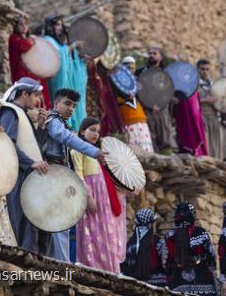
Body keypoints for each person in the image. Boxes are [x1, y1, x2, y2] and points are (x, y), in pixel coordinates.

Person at [42, 89, 108, 262]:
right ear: (56, 104)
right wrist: (94, 151)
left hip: (60, 175)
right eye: (67, 103)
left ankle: (62, 263)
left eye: (74, 105)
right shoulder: (53, 121)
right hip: (53, 175)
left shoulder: (61, 123)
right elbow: (65, 138)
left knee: (62, 223)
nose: (71, 108)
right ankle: (62, 266)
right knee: (59, 222)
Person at [0, 78, 50, 254]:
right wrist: (31, 163)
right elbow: (7, 143)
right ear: (24, 94)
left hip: (26, 174)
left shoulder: (21, 113)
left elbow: (34, 148)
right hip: (17, 176)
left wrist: (40, 128)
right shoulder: (10, 112)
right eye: (35, 95)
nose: (38, 100)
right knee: (21, 221)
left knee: (31, 222)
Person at [70, 117, 126, 272]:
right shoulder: (77, 150)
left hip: (103, 198)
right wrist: (88, 197)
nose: (96, 134)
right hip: (91, 195)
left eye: (98, 131)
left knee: (105, 232)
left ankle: (109, 267)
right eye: (92, 130)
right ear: (82, 131)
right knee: (91, 231)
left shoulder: (98, 154)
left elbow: (108, 177)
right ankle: (92, 266)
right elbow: (78, 175)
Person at [161, 202, 218, 295]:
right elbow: (211, 255)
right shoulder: (201, 232)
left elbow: (165, 260)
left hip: (178, 280)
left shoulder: (169, 235)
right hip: (202, 278)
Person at [44, 15, 88, 131]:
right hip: (57, 79)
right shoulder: (48, 40)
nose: (59, 27)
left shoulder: (59, 43)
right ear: (50, 26)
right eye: (56, 24)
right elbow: (56, 55)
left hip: (67, 78)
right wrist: (71, 47)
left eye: (60, 24)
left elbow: (66, 55)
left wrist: (79, 59)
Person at [8, 15, 51, 108]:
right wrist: (32, 40)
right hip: (21, 73)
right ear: (16, 26)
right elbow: (24, 46)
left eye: (26, 24)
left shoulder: (28, 38)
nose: (24, 26)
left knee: (41, 94)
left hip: (33, 72)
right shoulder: (14, 38)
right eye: (21, 24)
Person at [139, 47, 176, 152]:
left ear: (160, 57)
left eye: (154, 53)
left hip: (162, 109)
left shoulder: (166, 73)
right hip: (146, 109)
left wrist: (162, 103)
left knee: (165, 134)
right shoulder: (140, 72)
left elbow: (170, 91)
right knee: (150, 136)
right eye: (149, 53)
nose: (151, 55)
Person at [122, 208, 168, 287]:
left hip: (135, 285)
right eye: (153, 222)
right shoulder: (157, 241)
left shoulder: (131, 243)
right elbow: (165, 261)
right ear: (150, 224)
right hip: (157, 283)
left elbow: (125, 265)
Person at [117, 56, 153, 153]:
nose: (130, 71)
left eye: (132, 68)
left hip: (140, 117)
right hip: (126, 119)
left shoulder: (137, 82)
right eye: (128, 68)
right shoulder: (116, 82)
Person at [173, 72, 208, 157]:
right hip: (184, 120)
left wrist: (201, 118)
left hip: (196, 119)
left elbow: (198, 107)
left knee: (197, 137)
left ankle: (197, 153)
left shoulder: (194, 90)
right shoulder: (179, 91)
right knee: (186, 138)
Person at [198, 59, 224, 160]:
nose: (205, 71)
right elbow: (189, 102)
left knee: (215, 147)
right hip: (201, 118)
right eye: (202, 69)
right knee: (205, 146)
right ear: (198, 70)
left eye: (207, 69)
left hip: (214, 118)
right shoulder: (193, 85)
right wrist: (205, 100)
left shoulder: (214, 85)